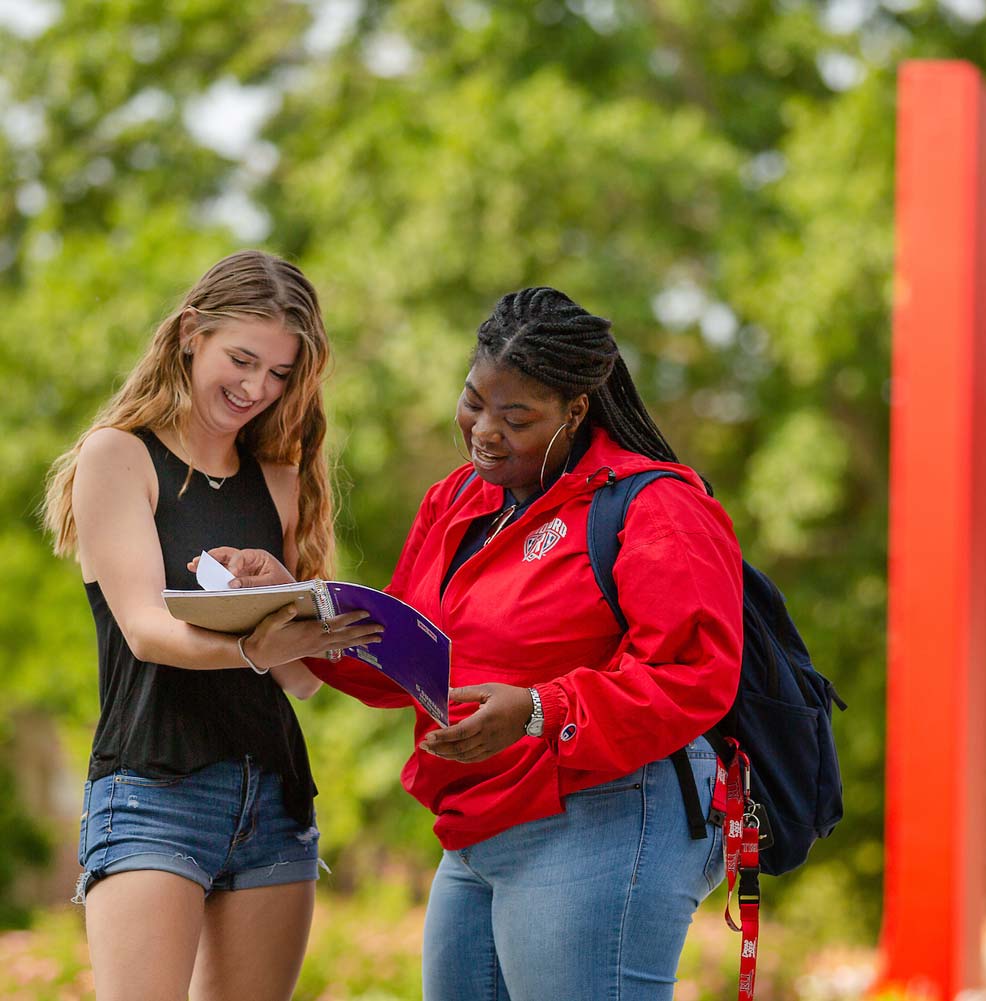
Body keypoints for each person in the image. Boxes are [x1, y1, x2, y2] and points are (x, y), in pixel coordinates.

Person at [217, 286, 743, 1001]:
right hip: (476, 826)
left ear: (576, 411)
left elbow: (693, 674)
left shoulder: (654, 505)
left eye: (516, 415)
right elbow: (404, 653)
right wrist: (291, 600)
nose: (483, 429)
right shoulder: (458, 501)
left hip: (606, 810)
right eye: (474, 400)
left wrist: (536, 708)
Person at [42, 250, 384, 1001]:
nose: (256, 387)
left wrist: (289, 599)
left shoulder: (284, 483)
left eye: (279, 373)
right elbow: (144, 629)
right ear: (191, 333)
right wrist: (254, 645)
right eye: (241, 358)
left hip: (274, 799)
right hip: (151, 789)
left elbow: (299, 680)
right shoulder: (118, 458)